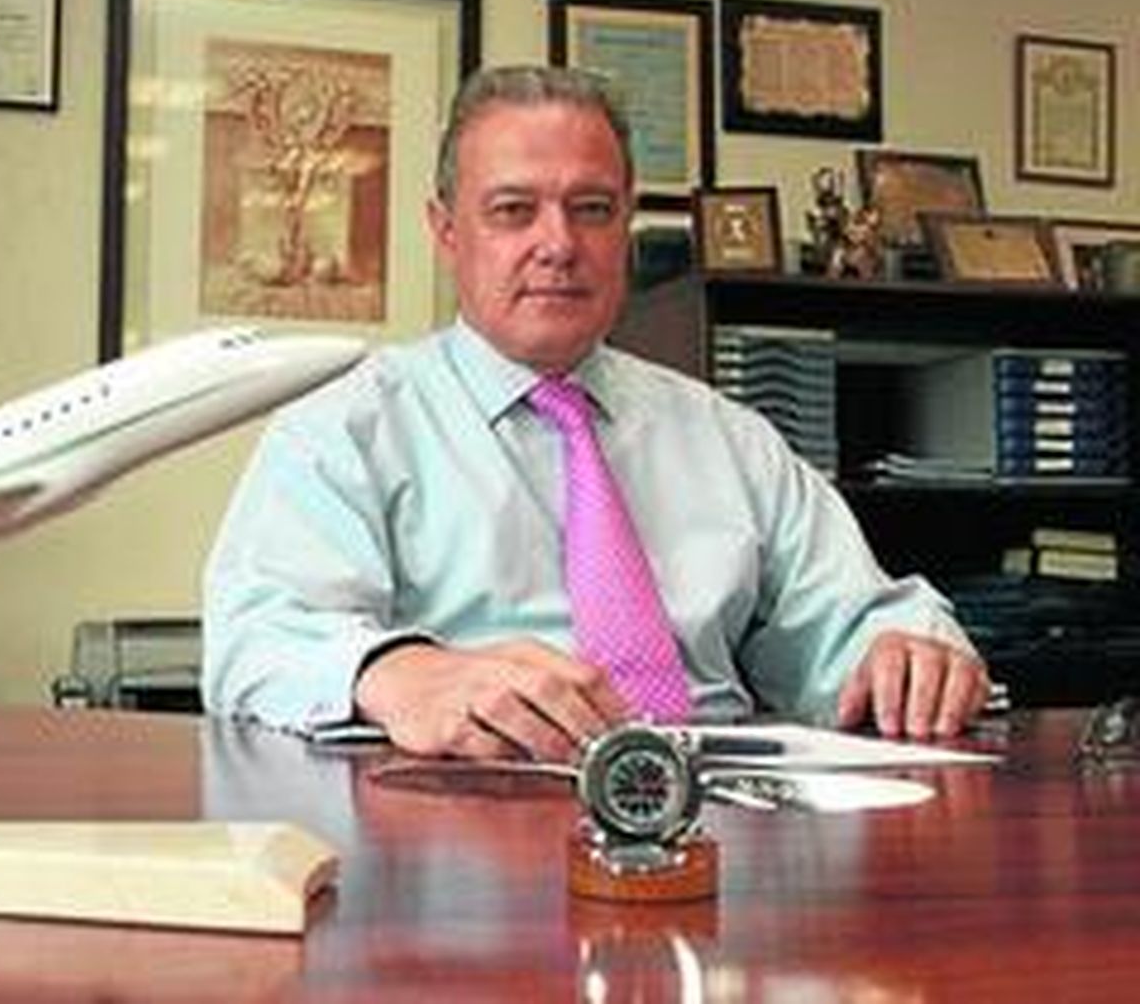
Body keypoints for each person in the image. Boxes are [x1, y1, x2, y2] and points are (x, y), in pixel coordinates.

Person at [201, 64, 989, 761]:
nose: (559, 243)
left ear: (627, 227)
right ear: (446, 230)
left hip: (722, 812)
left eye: (592, 208)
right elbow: (254, 640)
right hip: (476, 813)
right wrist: (399, 672)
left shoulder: (731, 440)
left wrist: (907, 652)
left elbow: (855, 621)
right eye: (513, 209)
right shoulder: (346, 430)